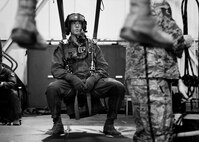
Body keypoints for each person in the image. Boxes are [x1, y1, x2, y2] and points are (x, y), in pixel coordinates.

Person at [45, 13, 125, 136]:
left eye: (79, 24)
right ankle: (57, 124)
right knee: (52, 88)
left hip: (92, 83)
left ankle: (109, 124)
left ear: (83, 26)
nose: (77, 26)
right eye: (73, 24)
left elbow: (103, 67)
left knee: (118, 87)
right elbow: (56, 69)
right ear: (68, 26)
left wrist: (93, 78)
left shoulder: (92, 45)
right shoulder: (63, 46)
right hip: (71, 84)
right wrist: (71, 78)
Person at [121, 0, 189, 142]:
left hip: (139, 78)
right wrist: (187, 40)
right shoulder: (158, 6)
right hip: (152, 78)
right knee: (159, 130)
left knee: (145, 130)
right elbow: (175, 39)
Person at [0, 41, 21, 125]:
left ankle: (16, 117)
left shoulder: (8, 72)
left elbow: (13, 83)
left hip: (6, 91)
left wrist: (2, 84)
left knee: (13, 94)